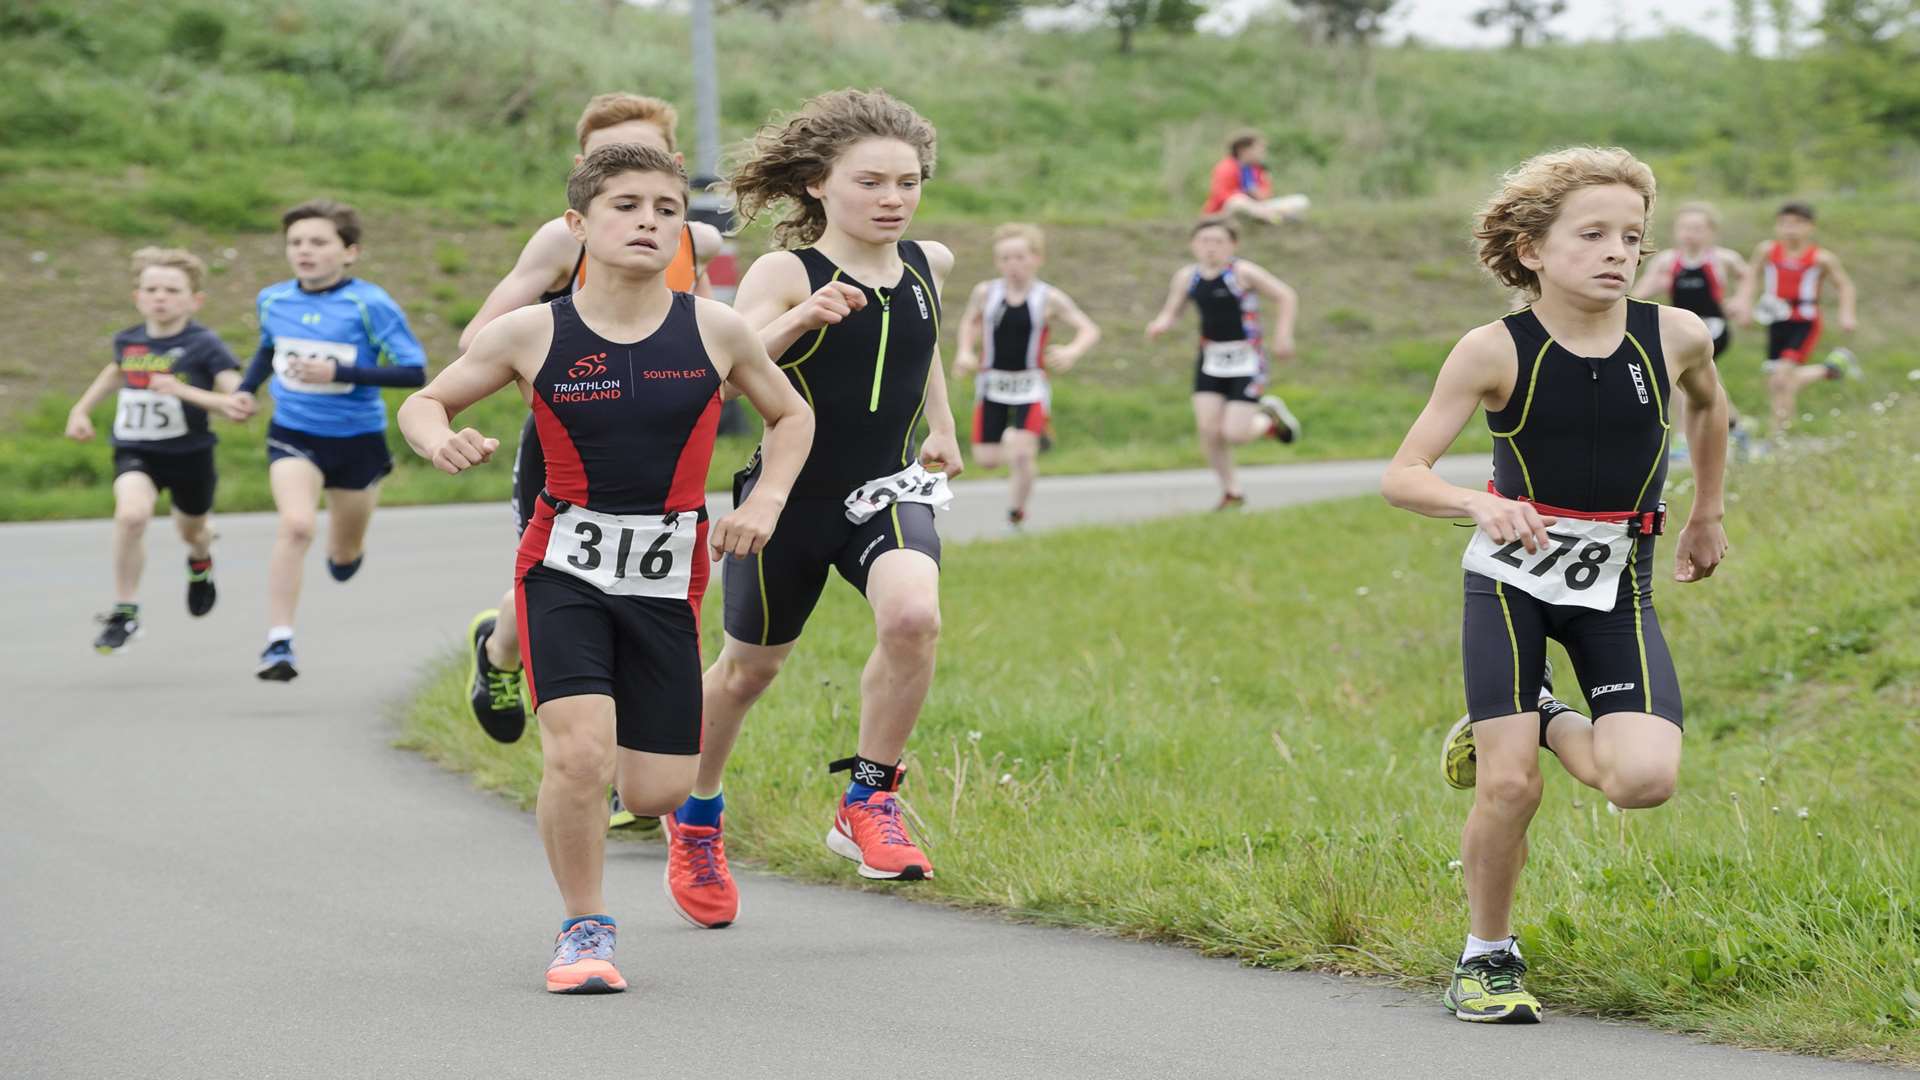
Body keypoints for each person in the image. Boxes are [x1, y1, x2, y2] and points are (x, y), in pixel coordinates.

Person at [397, 143, 814, 990]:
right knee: (580, 758)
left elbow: (791, 415)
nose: (650, 221)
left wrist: (764, 502)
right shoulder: (532, 333)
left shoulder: (715, 327)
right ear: (580, 226)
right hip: (562, 568)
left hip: (668, 575)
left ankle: (667, 823)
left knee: (656, 791)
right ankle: (584, 930)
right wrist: (440, 438)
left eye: (667, 208)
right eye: (627, 205)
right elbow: (425, 399)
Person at [1382, 146, 1729, 1024]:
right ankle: (1486, 956)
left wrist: (1707, 512)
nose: (1619, 251)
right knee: (1509, 787)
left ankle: (1542, 714)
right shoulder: (1493, 350)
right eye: (1594, 235)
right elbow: (1404, 473)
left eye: (1633, 237)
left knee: (1644, 780)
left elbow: (1709, 408)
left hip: (1620, 582)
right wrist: (1475, 503)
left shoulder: (1677, 334)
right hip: (1513, 583)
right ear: (1533, 249)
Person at [660, 89, 960, 931]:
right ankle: (698, 814)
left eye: (908, 182)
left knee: (912, 618)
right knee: (749, 671)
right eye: (871, 182)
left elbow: (923, 342)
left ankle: (869, 799)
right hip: (785, 500)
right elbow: (723, 364)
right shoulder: (786, 270)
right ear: (821, 185)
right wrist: (804, 314)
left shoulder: (929, 262)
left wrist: (940, 427)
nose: (893, 199)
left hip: (886, 491)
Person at [461, 92, 724, 755]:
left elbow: (712, 334)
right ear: (584, 170)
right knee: (555, 578)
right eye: (609, 164)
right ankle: (498, 652)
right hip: (569, 444)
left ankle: (626, 759)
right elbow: (480, 338)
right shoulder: (560, 237)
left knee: (642, 597)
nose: (644, 212)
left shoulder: (698, 239)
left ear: (676, 164)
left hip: (660, 449)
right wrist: (554, 384)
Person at [232, 201, 428, 681]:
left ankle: (346, 553)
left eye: (318, 242)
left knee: (343, 554)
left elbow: (413, 370)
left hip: (357, 440)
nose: (305, 251)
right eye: (296, 242)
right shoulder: (273, 300)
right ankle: (280, 644)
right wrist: (244, 390)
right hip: (293, 434)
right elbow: (267, 348)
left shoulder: (370, 303)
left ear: (349, 252)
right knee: (296, 525)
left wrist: (337, 372)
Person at [65, 247, 250, 653]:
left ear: (194, 299)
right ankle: (126, 612)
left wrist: (182, 389)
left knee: (193, 532)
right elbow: (115, 372)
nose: (160, 297)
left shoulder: (205, 345)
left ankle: (201, 561)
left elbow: (238, 402)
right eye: (151, 288)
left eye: (171, 289)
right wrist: (81, 410)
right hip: (137, 451)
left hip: (190, 457)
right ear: (137, 296)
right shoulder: (128, 340)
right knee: (131, 516)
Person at [1144, 218, 1301, 510]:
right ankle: (1232, 491)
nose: (1210, 248)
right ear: (1193, 245)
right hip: (1211, 360)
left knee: (1234, 434)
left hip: (1247, 359)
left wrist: (1283, 337)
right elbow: (1173, 310)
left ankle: (1267, 418)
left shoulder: (1243, 273)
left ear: (1233, 245)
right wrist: (1160, 325)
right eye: (1204, 241)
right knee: (1208, 430)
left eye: (1218, 242)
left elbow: (1286, 296)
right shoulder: (1187, 277)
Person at [952, 223, 1101, 528]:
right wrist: (964, 352)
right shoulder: (985, 292)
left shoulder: (1048, 298)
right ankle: (1026, 441)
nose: (1013, 265)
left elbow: (1088, 329)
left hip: (1031, 386)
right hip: (992, 384)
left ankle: (1017, 510)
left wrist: (1072, 351)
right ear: (997, 262)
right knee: (987, 460)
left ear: (1036, 259)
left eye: (1020, 257)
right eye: (1005, 258)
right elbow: (970, 322)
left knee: (1020, 454)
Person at [1726, 201, 1861, 438]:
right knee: (1776, 382)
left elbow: (1845, 286)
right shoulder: (1767, 250)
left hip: (1804, 321)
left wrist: (1846, 314)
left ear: (1810, 227)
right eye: (1785, 224)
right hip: (1776, 320)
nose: (1790, 229)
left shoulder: (1821, 258)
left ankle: (1778, 436)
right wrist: (1744, 304)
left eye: (1797, 224)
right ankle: (1832, 368)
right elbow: (1751, 277)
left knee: (1782, 377)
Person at [1630, 202, 1748, 455]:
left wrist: (1741, 301)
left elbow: (1747, 275)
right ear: (1675, 231)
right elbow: (1641, 290)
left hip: (1714, 327)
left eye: (1697, 228)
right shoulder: (1667, 261)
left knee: (1680, 375)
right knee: (1702, 382)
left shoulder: (1722, 258)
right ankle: (1735, 427)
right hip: (1684, 330)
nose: (1690, 233)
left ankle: (1685, 437)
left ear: (1711, 232)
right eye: (1684, 227)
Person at [1201, 131, 1309, 225]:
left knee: (1301, 201)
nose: (1263, 153)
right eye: (1259, 149)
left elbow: (1266, 194)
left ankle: (1266, 217)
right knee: (1238, 201)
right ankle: (1273, 218)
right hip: (1227, 211)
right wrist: (1244, 193)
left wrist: (1258, 193)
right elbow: (1221, 195)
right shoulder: (1226, 167)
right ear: (1243, 150)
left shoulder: (1259, 169)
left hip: (1256, 208)